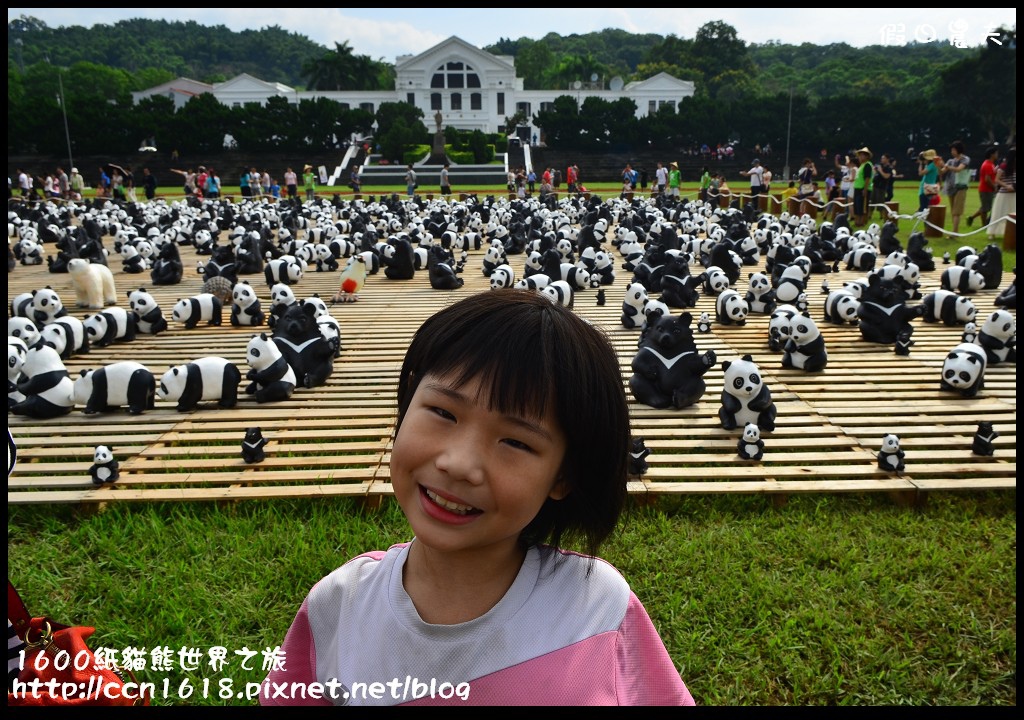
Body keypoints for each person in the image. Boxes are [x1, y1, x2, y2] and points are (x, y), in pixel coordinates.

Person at [259, 290, 696, 707]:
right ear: (408, 400)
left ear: (563, 475)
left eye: (516, 442)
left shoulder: (598, 611)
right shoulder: (338, 606)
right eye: (443, 413)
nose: (459, 464)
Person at [941, 141, 971, 234]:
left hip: (960, 187)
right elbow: (942, 171)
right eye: (951, 150)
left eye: (954, 150)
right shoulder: (950, 161)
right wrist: (938, 165)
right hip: (950, 187)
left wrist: (945, 165)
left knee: (956, 211)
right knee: (953, 211)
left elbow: (958, 169)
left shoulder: (965, 159)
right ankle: (954, 231)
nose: (952, 152)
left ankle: (954, 232)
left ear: (959, 150)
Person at [987, 146, 1016, 240]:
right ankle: (992, 233)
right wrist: (1007, 186)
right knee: (998, 214)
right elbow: (997, 180)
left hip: (1014, 194)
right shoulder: (1003, 166)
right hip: (1003, 194)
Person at [968, 146, 1000, 227]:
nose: (997, 155)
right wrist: (994, 187)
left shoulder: (991, 164)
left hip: (987, 189)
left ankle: (971, 217)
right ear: (992, 154)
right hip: (986, 189)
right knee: (985, 209)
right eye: (996, 153)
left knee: (985, 207)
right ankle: (984, 225)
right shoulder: (988, 164)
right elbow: (987, 179)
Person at [851, 147, 874, 226]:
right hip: (857, 188)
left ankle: (861, 222)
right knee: (857, 206)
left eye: (862, 155)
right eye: (859, 155)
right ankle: (857, 221)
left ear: (867, 156)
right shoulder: (862, 165)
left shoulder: (867, 165)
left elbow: (867, 178)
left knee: (862, 207)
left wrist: (865, 189)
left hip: (862, 188)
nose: (860, 157)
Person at [917, 149, 943, 213]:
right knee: (927, 207)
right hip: (930, 188)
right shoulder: (934, 165)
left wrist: (920, 163)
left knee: (923, 209)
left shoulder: (931, 165)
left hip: (926, 189)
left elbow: (920, 173)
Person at [872, 154, 895, 219]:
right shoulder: (879, 165)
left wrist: (880, 170)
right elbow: (874, 173)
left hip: (882, 187)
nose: (882, 160)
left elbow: (886, 176)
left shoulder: (889, 168)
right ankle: (869, 215)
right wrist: (875, 170)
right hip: (875, 185)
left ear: (887, 159)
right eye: (882, 158)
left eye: (883, 158)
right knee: (872, 201)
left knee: (881, 201)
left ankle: (882, 216)